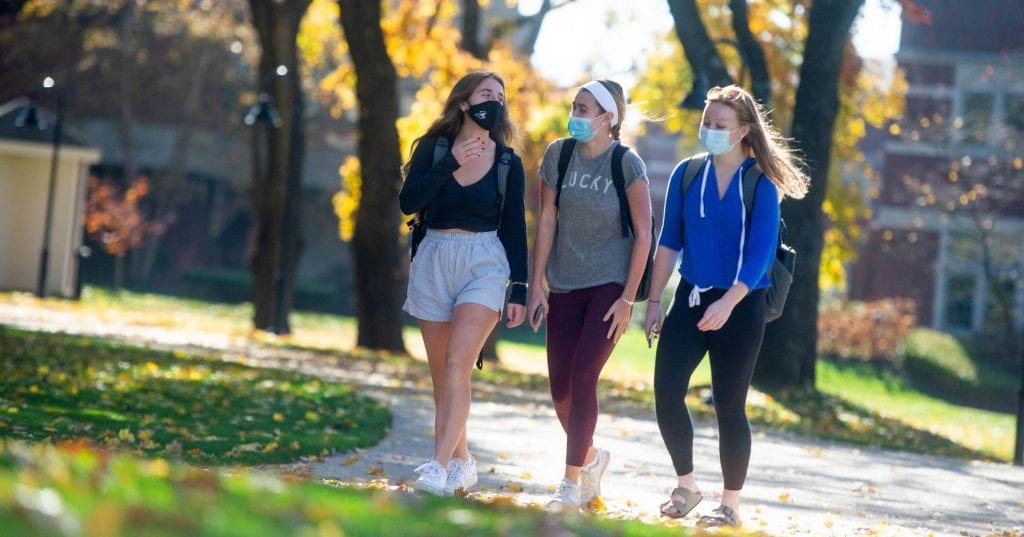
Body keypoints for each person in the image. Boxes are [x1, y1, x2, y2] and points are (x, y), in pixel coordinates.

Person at [643, 84, 809, 527]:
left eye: (720, 125)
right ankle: (687, 485)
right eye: (707, 123)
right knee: (666, 392)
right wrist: (654, 300)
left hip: (743, 303)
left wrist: (729, 304)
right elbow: (669, 241)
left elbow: (759, 257)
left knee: (729, 405)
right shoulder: (687, 173)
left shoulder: (760, 183)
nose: (710, 131)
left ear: (743, 131)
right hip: (692, 296)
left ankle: (730, 506)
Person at [398, 71, 528, 496]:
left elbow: (514, 229)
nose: (495, 101)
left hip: (485, 262)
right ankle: (463, 461)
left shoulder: (508, 162)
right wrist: (450, 162)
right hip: (434, 256)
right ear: (463, 103)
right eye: (486, 94)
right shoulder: (433, 148)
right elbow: (408, 202)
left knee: (458, 365)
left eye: (500, 96)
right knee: (444, 376)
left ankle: (436, 467)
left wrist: (520, 289)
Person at [528, 79, 653, 509]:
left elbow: (643, 235)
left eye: (584, 109)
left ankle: (569, 483)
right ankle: (593, 458)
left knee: (583, 378)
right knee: (560, 391)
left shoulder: (627, 164)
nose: (576, 115)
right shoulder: (558, 155)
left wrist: (628, 298)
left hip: (609, 286)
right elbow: (546, 220)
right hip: (563, 283)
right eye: (575, 107)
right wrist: (535, 285)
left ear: (607, 118)